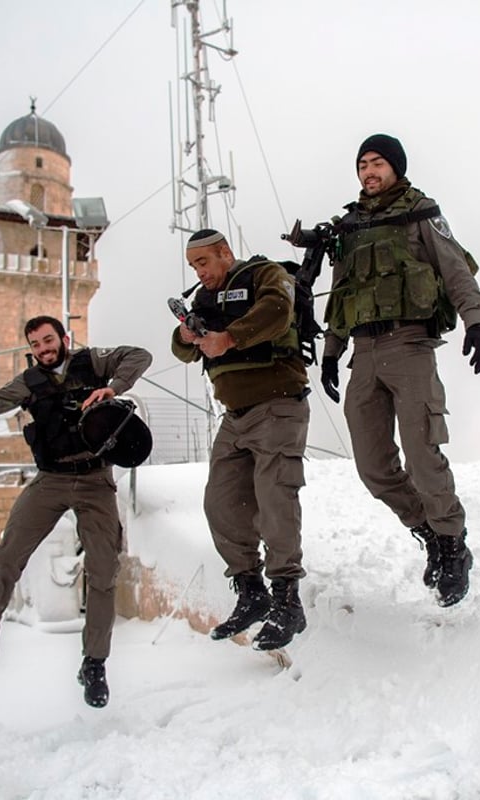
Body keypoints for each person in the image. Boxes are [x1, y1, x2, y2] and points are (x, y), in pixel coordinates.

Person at [0, 315, 152, 708]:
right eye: (35, 344)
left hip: (94, 479)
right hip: (49, 480)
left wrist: (111, 388)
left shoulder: (93, 362)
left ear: (63, 338)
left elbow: (140, 356)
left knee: (103, 571)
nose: (43, 349)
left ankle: (94, 663)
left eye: (48, 340)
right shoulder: (29, 382)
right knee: (6, 560)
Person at [319, 133, 480, 608]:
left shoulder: (421, 213)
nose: (368, 171)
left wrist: (477, 322)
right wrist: (331, 352)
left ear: (395, 167)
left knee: (422, 455)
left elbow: (456, 271)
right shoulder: (350, 227)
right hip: (363, 354)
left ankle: (453, 545)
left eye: (377, 163)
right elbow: (341, 292)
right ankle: (429, 533)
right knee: (373, 466)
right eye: (362, 165)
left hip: (410, 346)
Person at [171, 229, 310, 651]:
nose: (200, 271)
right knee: (221, 503)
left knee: (274, 496)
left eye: (204, 262)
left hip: (278, 403)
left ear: (225, 253)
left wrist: (228, 337)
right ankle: (251, 590)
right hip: (234, 417)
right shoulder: (203, 300)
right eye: (193, 265)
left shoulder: (263, 275)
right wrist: (187, 336)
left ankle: (287, 598)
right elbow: (181, 352)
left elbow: (277, 310)